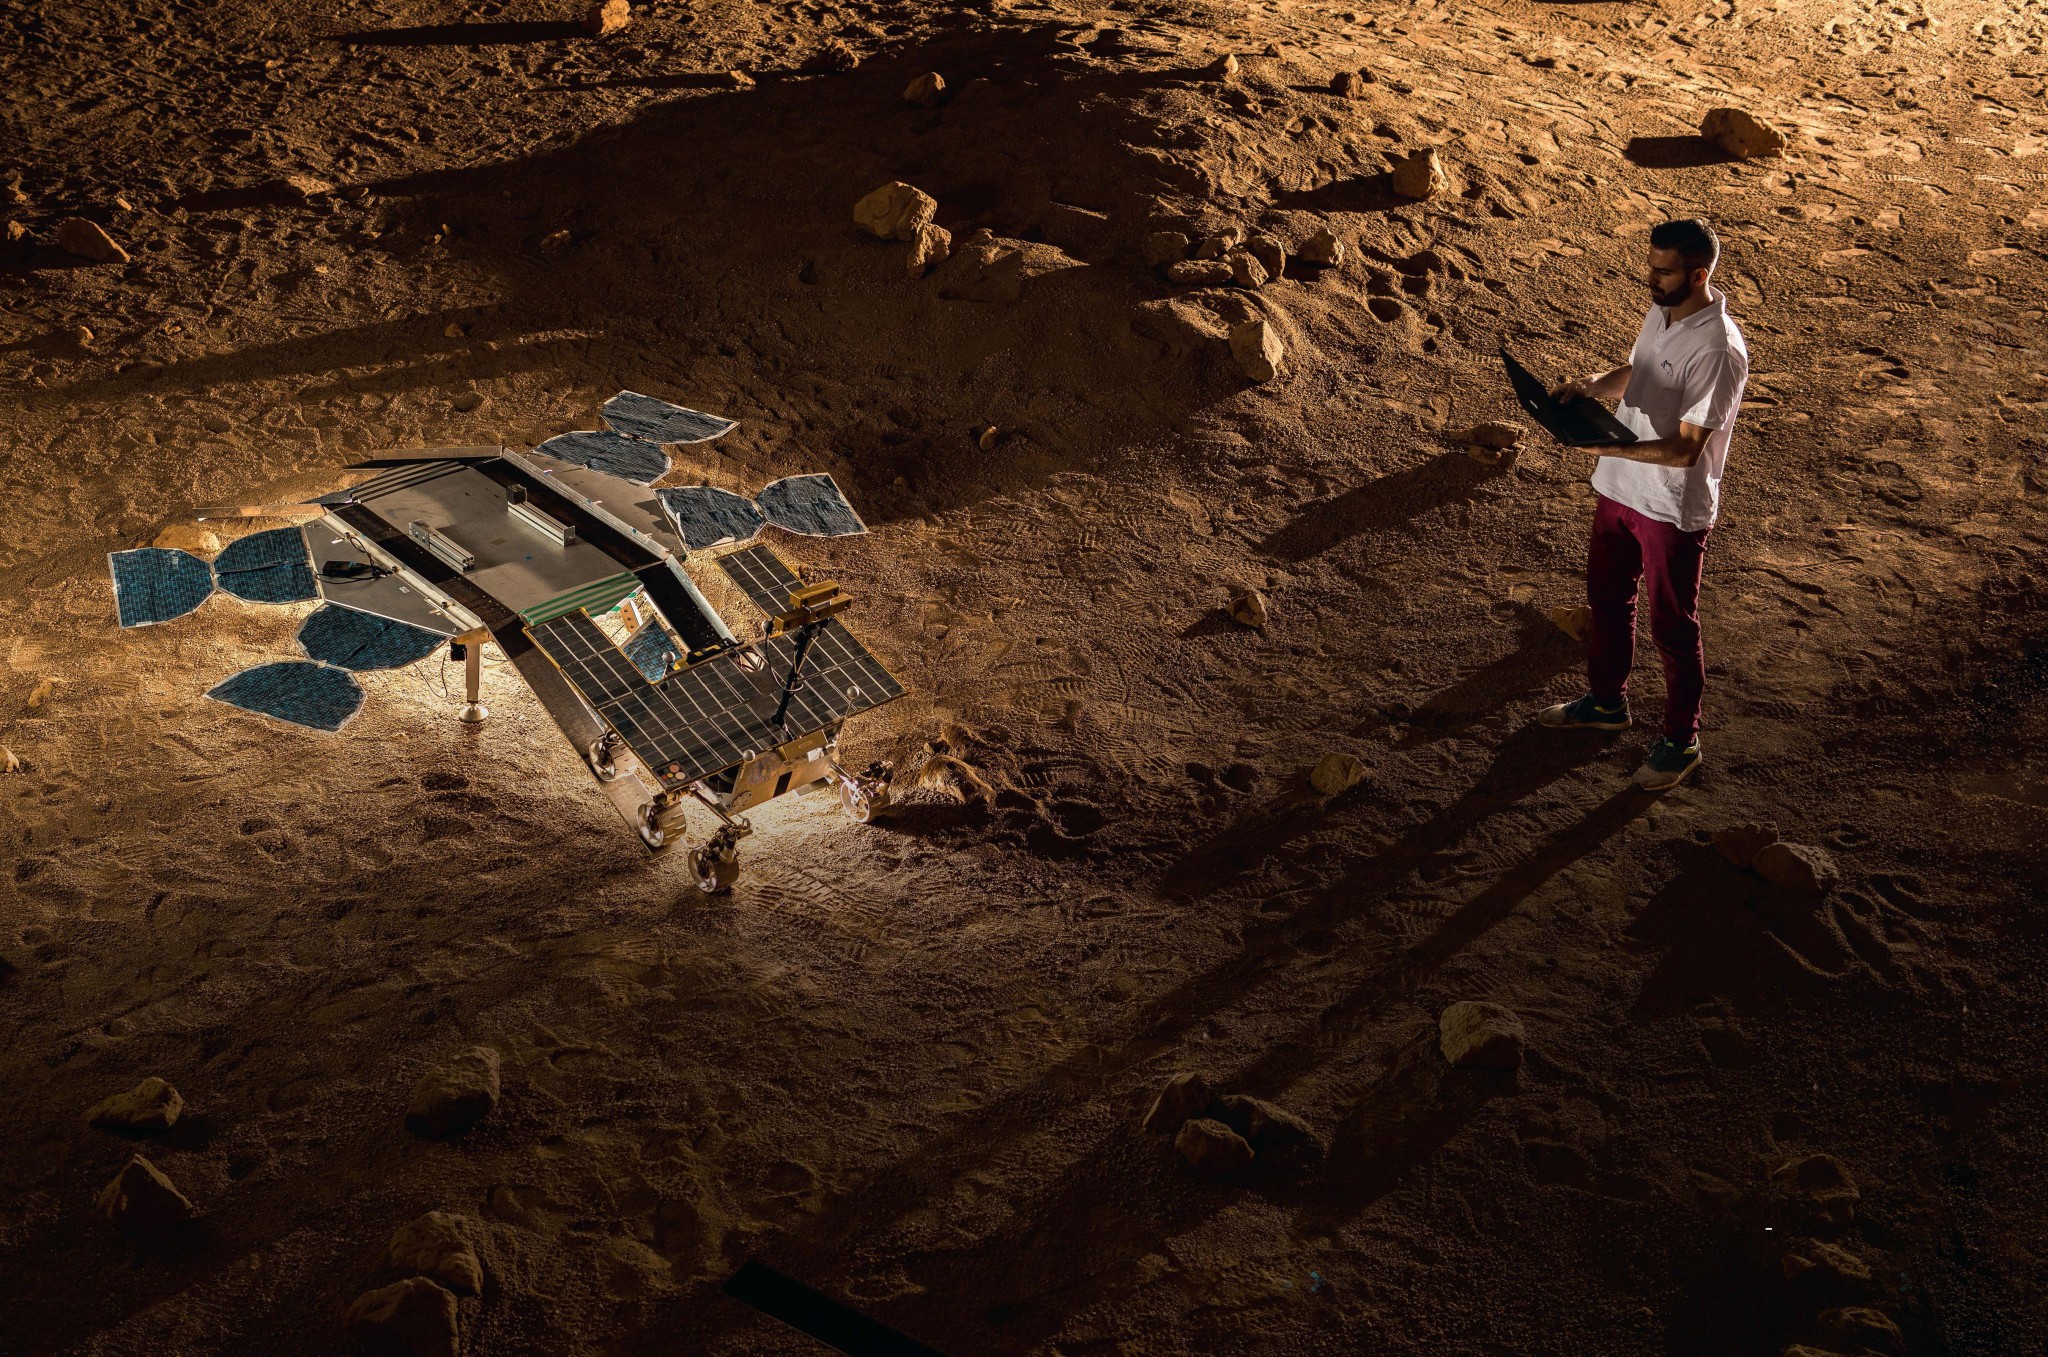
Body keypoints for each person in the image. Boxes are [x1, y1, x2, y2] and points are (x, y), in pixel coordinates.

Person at [1535, 217, 1750, 792]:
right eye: (1650, 267)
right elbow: (1642, 370)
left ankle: (1682, 741)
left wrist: (1605, 445)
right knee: (1608, 601)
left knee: (1673, 627)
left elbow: (1686, 449)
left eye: (1663, 271)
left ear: (1698, 275)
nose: (1650, 279)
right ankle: (1607, 702)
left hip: (1670, 509)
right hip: (1619, 488)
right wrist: (1591, 384)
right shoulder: (1664, 311)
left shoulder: (1719, 350)